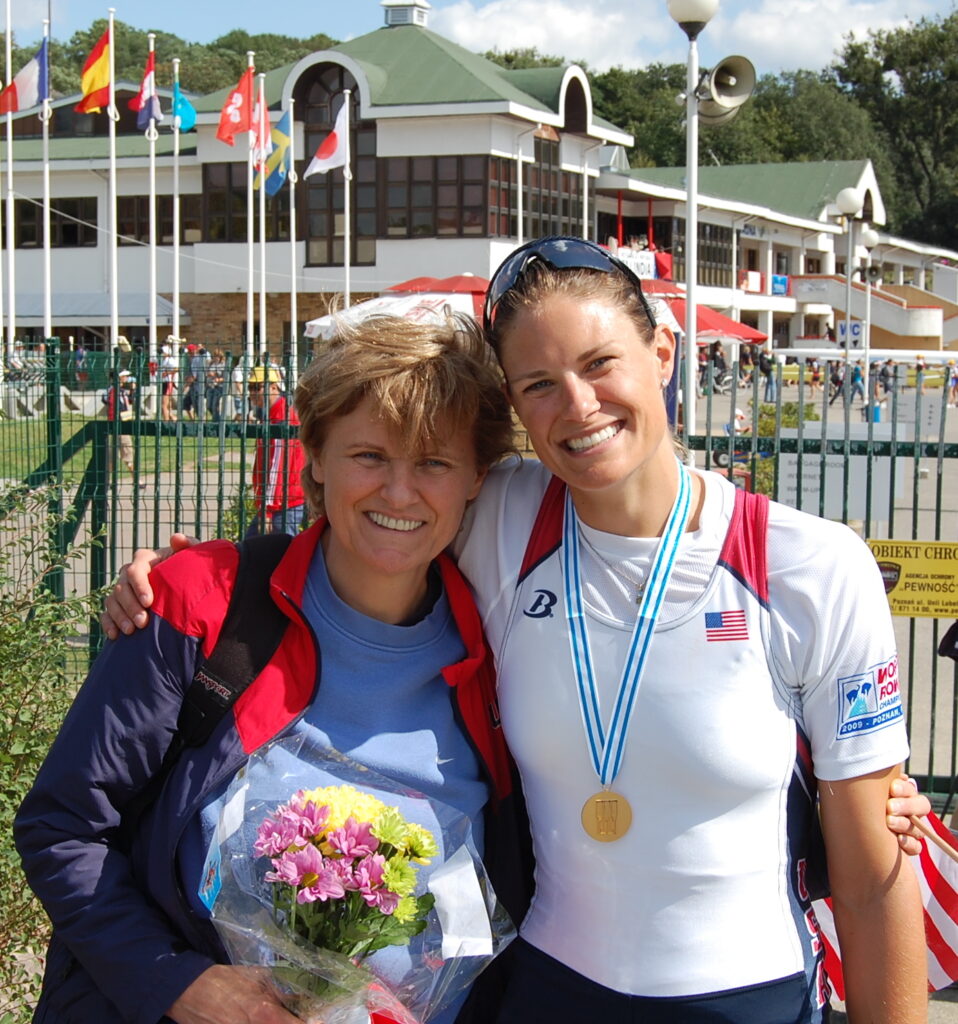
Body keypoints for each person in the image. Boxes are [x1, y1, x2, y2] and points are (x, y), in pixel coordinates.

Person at [104, 239, 932, 1024]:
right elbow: (363, 525)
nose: (578, 405)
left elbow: (870, 883)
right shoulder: (500, 517)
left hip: (748, 997)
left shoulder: (810, 568)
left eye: (601, 363)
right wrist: (182, 573)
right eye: (537, 383)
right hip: (544, 992)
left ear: (664, 355)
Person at [14, 316, 526, 1024]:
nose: (400, 493)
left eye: (434, 462)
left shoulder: (506, 655)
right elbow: (62, 827)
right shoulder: (208, 605)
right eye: (370, 455)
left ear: (477, 478)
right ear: (314, 455)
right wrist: (179, 985)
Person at [247, 365, 308, 536]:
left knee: (282, 553)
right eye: (250, 387)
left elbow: (276, 468)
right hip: (283, 500)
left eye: (257, 387)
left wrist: (266, 509)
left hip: (282, 503)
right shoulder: (274, 415)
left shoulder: (281, 419)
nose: (252, 392)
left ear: (273, 387)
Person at [102, 370, 143, 488]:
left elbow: (129, 400)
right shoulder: (115, 391)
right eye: (124, 376)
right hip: (120, 425)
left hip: (118, 425)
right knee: (126, 453)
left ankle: (109, 481)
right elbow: (118, 406)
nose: (126, 378)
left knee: (113, 455)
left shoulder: (116, 391)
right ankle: (136, 480)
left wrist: (133, 391)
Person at [206, 348, 227, 422]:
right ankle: (217, 418)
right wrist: (209, 374)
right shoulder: (211, 364)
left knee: (215, 405)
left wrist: (218, 379)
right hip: (210, 386)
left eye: (217, 356)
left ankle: (216, 421)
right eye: (214, 356)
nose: (215, 358)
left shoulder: (223, 365)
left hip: (218, 387)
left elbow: (225, 378)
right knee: (209, 406)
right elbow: (207, 373)